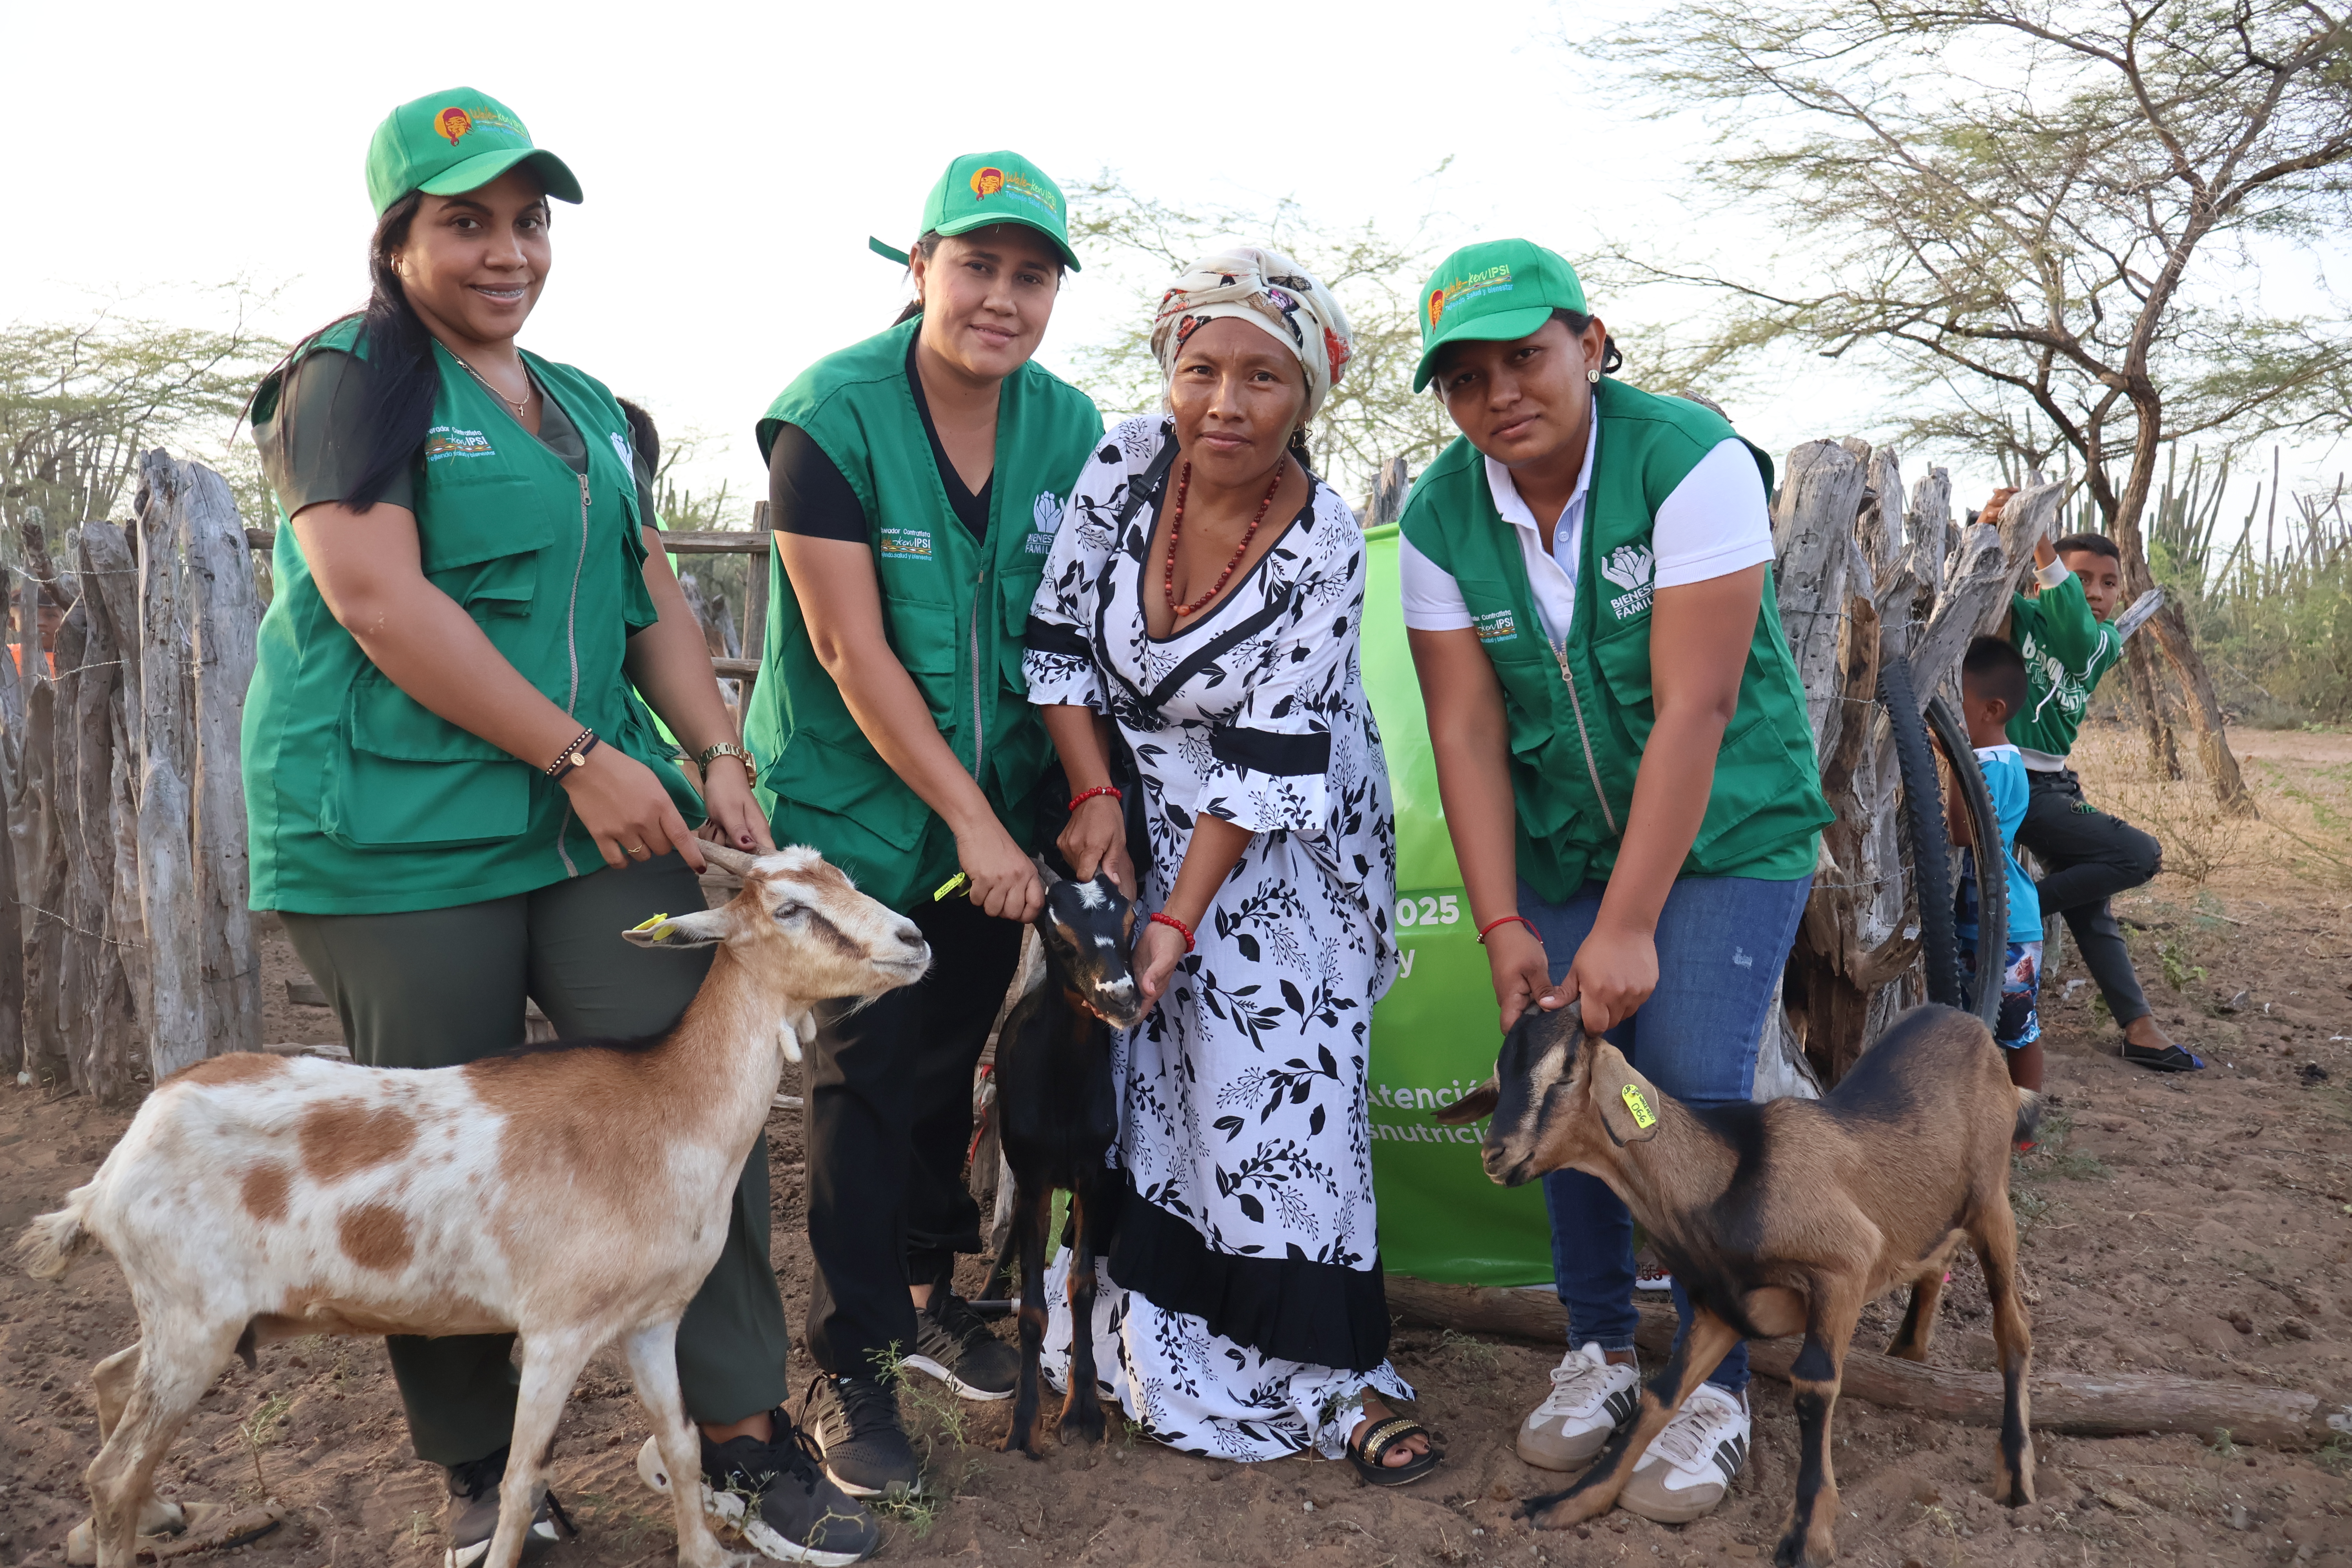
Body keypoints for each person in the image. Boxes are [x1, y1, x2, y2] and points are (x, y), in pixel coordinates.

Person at [242, 90, 877, 1564]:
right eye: (465, 221)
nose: (507, 250)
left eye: (528, 220)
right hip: (395, 831)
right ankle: (482, 1471)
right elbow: (377, 600)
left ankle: (736, 1433)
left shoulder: (586, 406)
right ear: (397, 238)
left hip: (591, 826)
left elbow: (649, 594)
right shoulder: (345, 383)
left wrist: (713, 753)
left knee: (694, 1085)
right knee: (442, 1144)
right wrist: (580, 752)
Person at [1399, 240, 1830, 1523]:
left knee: (1687, 1092)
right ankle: (1594, 1350)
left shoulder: (1686, 461)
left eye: (1525, 357)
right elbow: (1467, 731)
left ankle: (1714, 1392)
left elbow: (1697, 707)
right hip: (1564, 844)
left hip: (1729, 831)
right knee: (1563, 1080)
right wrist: (1502, 924)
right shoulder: (1441, 517)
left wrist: (1632, 924)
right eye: (1464, 378)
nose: (1499, 395)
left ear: (1588, 344)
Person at [1023, 246, 1434, 1481]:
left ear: (1307, 396)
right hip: (1139, 810)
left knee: (1281, 1092)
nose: (1225, 403)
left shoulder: (1322, 542)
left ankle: (1328, 1378)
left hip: (1288, 833)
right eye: (1201, 369)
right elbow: (1058, 645)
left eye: (1264, 377)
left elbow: (1265, 762)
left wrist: (1177, 920)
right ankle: (1159, 1340)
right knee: (1154, 1081)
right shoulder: (1122, 466)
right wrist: (1096, 794)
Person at [742, 151, 1104, 1498]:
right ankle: (851, 1363)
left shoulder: (1071, 427)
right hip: (858, 811)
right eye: (977, 265)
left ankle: (920, 1300)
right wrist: (972, 825)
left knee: (951, 1054)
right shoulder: (829, 420)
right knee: (864, 1079)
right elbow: (848, 648)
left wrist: (1080, 797)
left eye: (1032, 275)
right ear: (920, 269)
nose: (1002, 298)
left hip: (995, 811)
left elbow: (1077, 633)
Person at [2004, 528, 2205, 1072]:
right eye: (2082, 579)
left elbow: (2073, 638)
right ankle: (2005, 921)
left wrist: (2044, 548)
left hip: (2052, 786)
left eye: (2110, 583)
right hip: (2008, 779)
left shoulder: (2104, 641)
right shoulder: (2017, 612)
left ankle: (2138, 1026)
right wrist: (1998, 526)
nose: (2096, 592)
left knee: (2102, 889)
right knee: (2131, 858)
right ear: (2045, 584)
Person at [1951, 636, 2045, 1099]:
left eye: (1960, 703)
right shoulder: (1993, 759)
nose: (1953, 714)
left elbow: (1962, 831)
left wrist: (1954, 760)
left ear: (1992, 710)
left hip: (2008, 927)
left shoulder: (1993, 765)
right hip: (1983, 923)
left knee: (2018, 1028)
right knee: (1980, 1024)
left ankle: (2025, 1119)